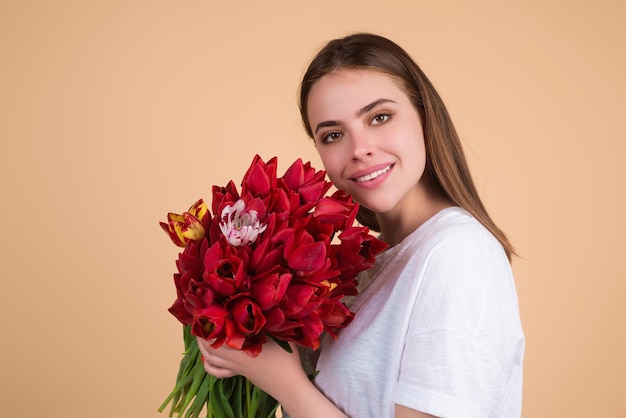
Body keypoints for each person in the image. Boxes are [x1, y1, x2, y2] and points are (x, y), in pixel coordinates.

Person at [197, 33, 525, 418]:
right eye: (333, 135)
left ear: (424, 115)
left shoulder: (458, 255)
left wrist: (283, 382)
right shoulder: (358, 274)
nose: (359, 149)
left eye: (379, 117)